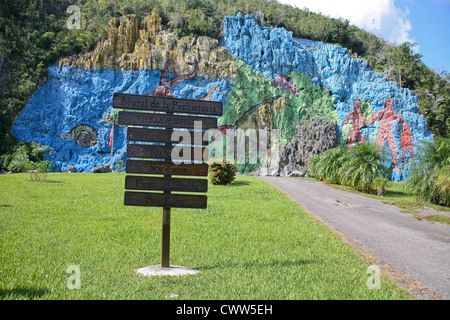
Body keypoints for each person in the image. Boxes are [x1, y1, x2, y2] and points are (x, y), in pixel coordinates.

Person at [366, 98, 404, 172]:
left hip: (389, 133)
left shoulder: (394, 113)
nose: (390, 103)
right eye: (388, 102)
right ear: (386, 103)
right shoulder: (381, 112)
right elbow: (372, 119)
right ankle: (376, 165)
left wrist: (400, 120)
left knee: (394, 150)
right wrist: (364, 123)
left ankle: (395, 166)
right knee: (378, 149)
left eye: (391, 102)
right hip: (381, 132)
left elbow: (401, 120)